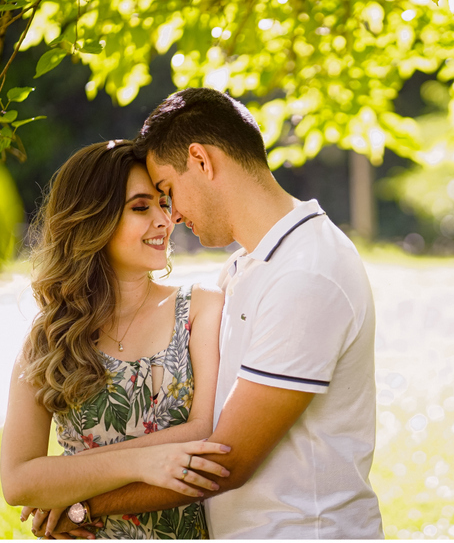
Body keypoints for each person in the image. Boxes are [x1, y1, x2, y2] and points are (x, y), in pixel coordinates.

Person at [52, 88, 384, 538]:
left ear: (201, 161)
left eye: (167, 191)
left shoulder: (308, 272)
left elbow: (227, 461)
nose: (171, 216)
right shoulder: (244, 267)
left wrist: (85, 507)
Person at [0, 140, 230, 539]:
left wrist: (69, 483)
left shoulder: (200, 307)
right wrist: (140, 464)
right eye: (141, 207)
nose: (164, 220)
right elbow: (18, 482)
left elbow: (203, 432)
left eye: (164, 203)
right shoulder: (51, 337)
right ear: (94, 219)